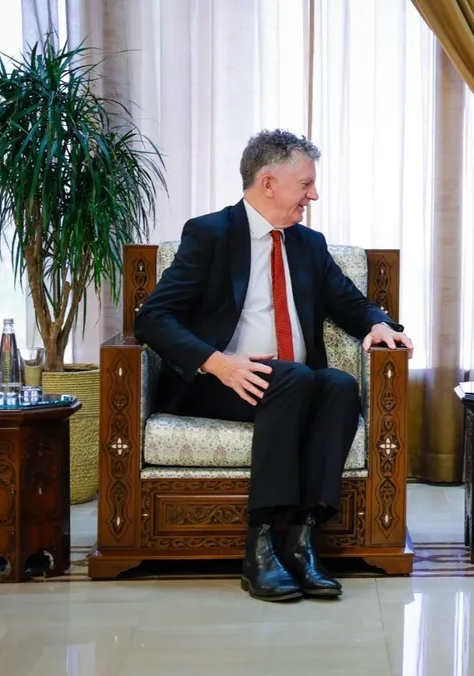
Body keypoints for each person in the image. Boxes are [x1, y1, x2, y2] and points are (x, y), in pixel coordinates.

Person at [135, 130, 413, 602]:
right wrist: (217, 363)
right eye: (306, 184)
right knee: (295, 379)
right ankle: (260, 547)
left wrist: (379, 324)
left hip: (290, 382)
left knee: (339, 385)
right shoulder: (210, 234)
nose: (313, 195)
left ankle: (303, 543)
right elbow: (152, 318)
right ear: (268, 182)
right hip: (219, 382)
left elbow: (350, 302)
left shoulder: (308, 244)